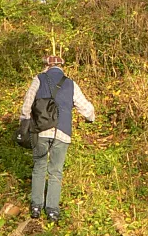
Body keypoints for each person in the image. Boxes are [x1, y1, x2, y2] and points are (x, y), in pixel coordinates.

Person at [20, 54, 95, 223]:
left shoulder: (38, 79)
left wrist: (24, 122)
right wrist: (91, 118)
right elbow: (86, 108)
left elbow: (27, 104)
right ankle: (52, 210)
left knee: (39, 166)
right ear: (62, 67)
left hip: (40, 131)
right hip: (63, 133)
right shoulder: (71, 84)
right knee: (56, 171)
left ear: (46, 66)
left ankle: (36, 207)